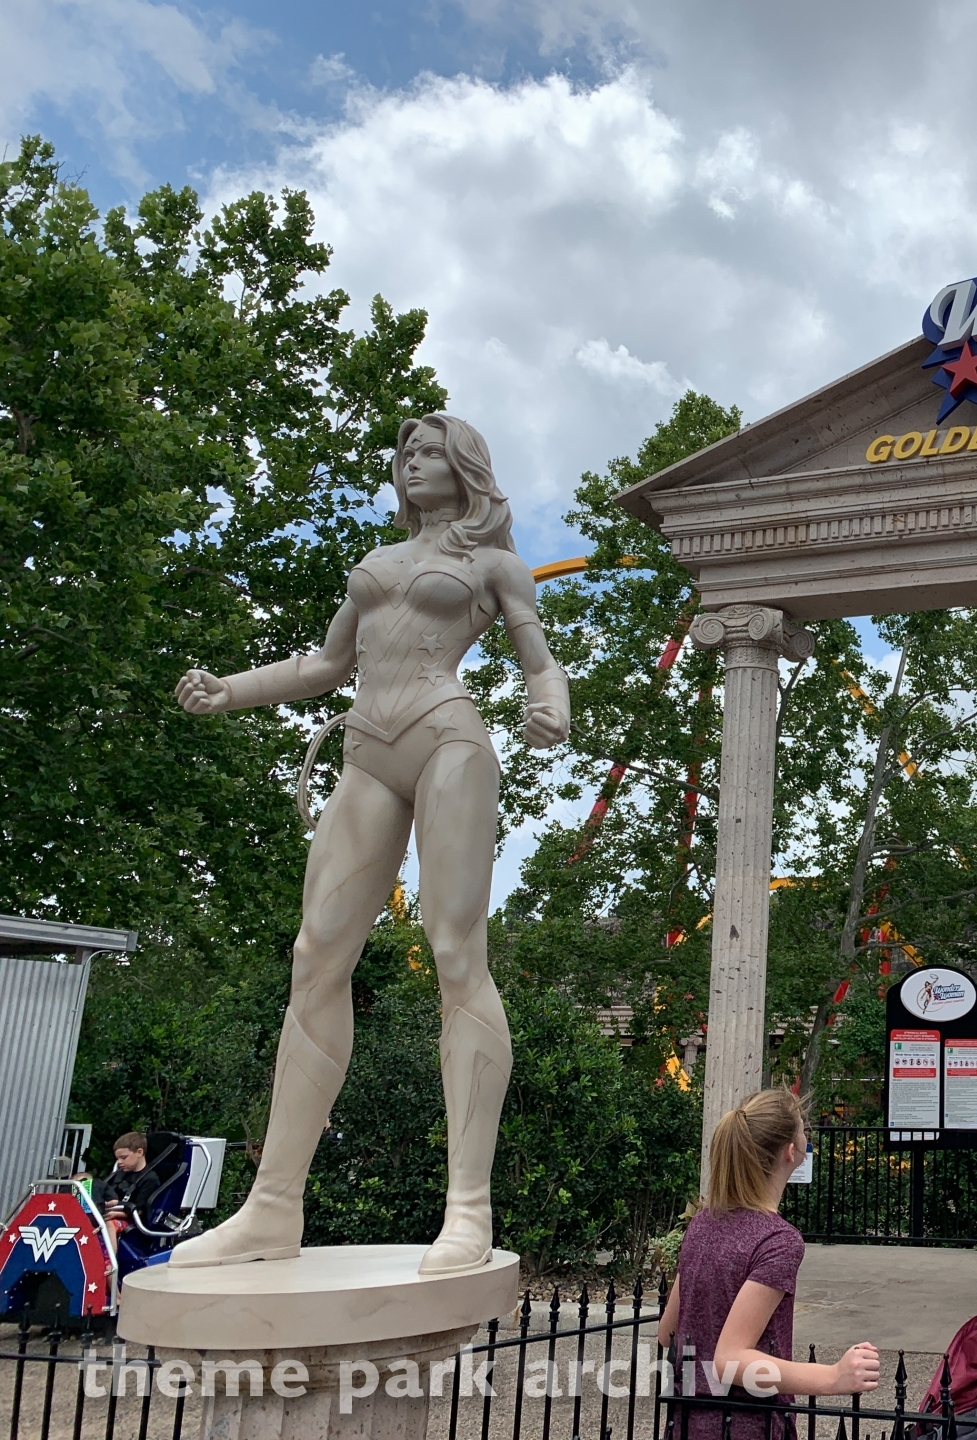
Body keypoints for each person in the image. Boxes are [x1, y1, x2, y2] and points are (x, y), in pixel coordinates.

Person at [173, 414, 570, 1277]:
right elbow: (324, 666)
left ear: (464, 467)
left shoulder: (495, 565)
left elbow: (537, 658)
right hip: (366, 749)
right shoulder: (380, 561)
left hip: (447, 738)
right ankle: (272, 1207)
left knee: (455, 951)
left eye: (430, 452)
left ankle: (468, 1207)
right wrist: (228, 689)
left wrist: (552, 705)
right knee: (315, 956)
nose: (412, 464)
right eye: (406, 454)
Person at [657, 1090, 879, 1440]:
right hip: (748, 1424)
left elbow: (667, 1331)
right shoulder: (778, 1240)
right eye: (803, 1129)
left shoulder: (702, 1223)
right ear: (791, 1151)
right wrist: (832, 1377)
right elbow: (730, 1360)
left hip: (687, 1421)